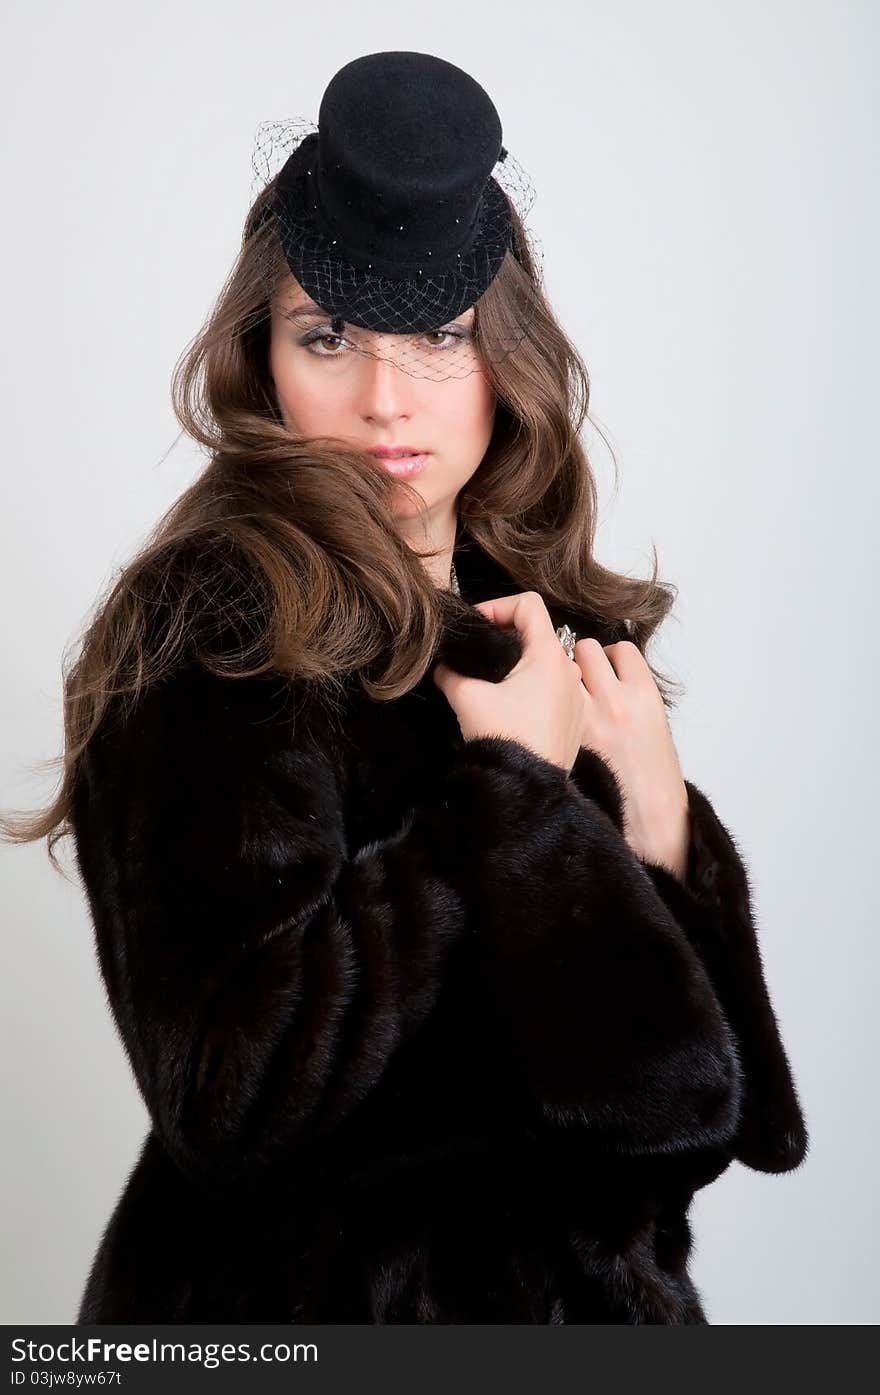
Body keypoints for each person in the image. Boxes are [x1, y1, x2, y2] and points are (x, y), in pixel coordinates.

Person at [1, 50, 807, 1324]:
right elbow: (229, 1095)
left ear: (509, 358)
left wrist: (660, 826)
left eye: (439, 336)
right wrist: (509, 792)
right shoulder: (217, 629)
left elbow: (721, 1124)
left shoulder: (552, 637)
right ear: (261, 357)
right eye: (329, 335)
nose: (388, 401)